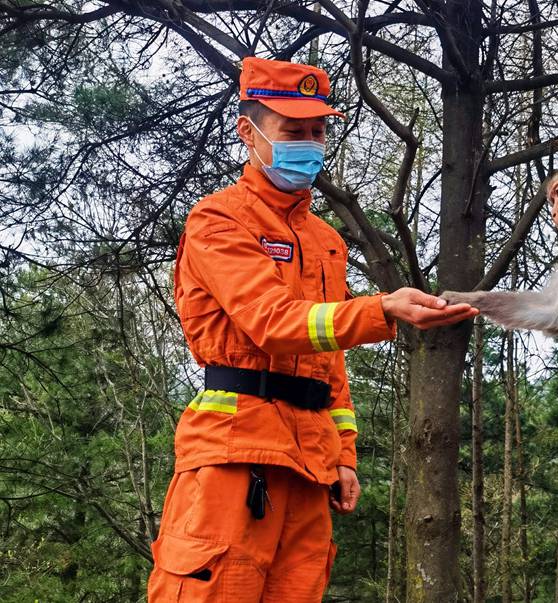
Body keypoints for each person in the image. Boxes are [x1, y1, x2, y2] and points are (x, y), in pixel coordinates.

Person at [147, 56, 477, 602]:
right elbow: (270, 322)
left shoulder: (326, 240)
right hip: (235, 455)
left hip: (309, 466)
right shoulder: (219, 220)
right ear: (247, 132)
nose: (309, 143)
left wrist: (344, 453)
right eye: (292, 131)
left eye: (318, 131)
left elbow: (327, 357)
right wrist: (384, 310)